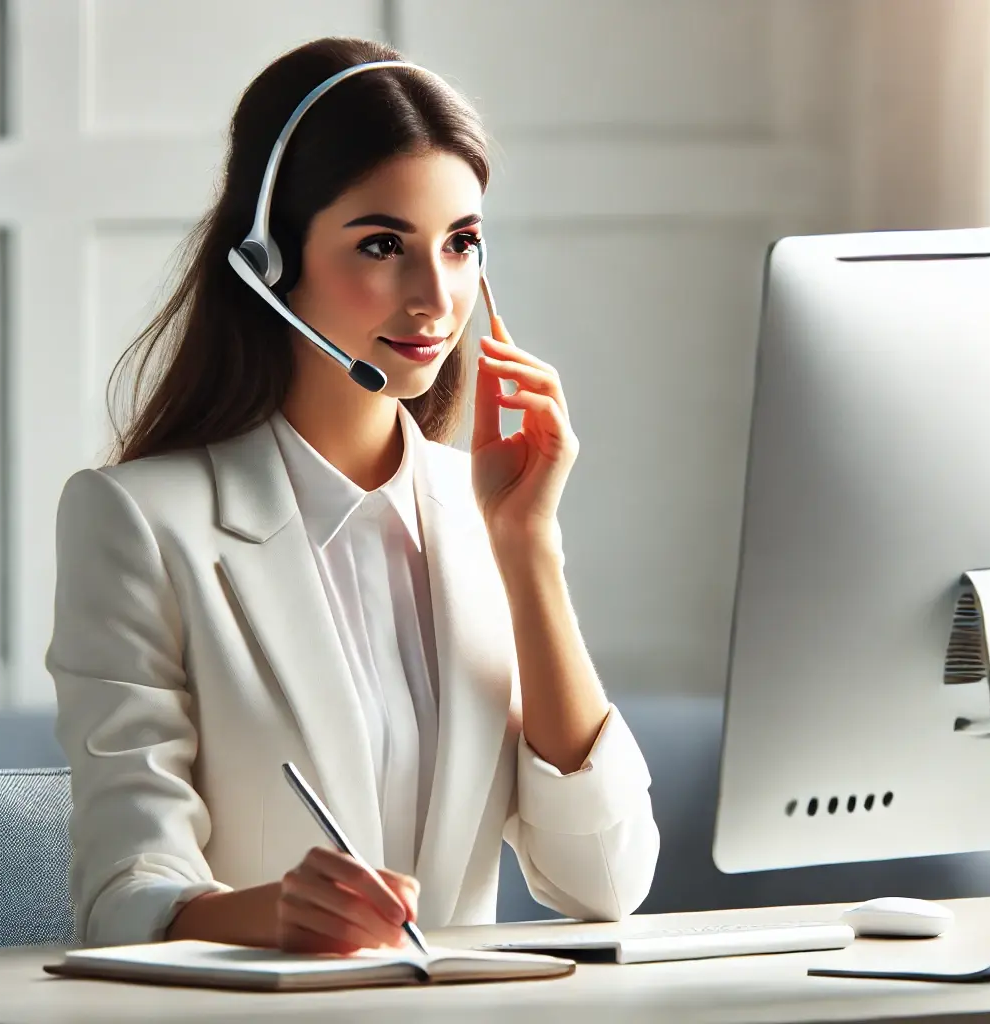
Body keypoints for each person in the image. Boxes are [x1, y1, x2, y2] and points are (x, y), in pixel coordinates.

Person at [47, 36, 659, 954]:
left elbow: (604, 881)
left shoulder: (483, 513)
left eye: (462, 244)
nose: (436, 298)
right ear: (267, 260)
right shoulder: (136, 521)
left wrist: (529, 545)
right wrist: (276, 914)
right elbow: (124, 893)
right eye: (383, 245)